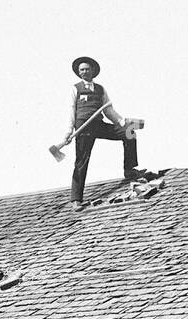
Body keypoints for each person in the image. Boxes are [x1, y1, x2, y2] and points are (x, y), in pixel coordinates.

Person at [66, 56, 147, 209]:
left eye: (87, 69)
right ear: (78, 72)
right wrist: (69, 131)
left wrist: (122, 122)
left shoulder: (100, 89)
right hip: (83, 127)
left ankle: (129, 169)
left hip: (98, 124)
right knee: (81, 161)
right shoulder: (75, 88)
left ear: (93, 71)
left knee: (130, 133)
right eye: (81, 70)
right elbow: (70, 110)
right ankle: (76, 199)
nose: (84, 72)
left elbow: (108, 110)